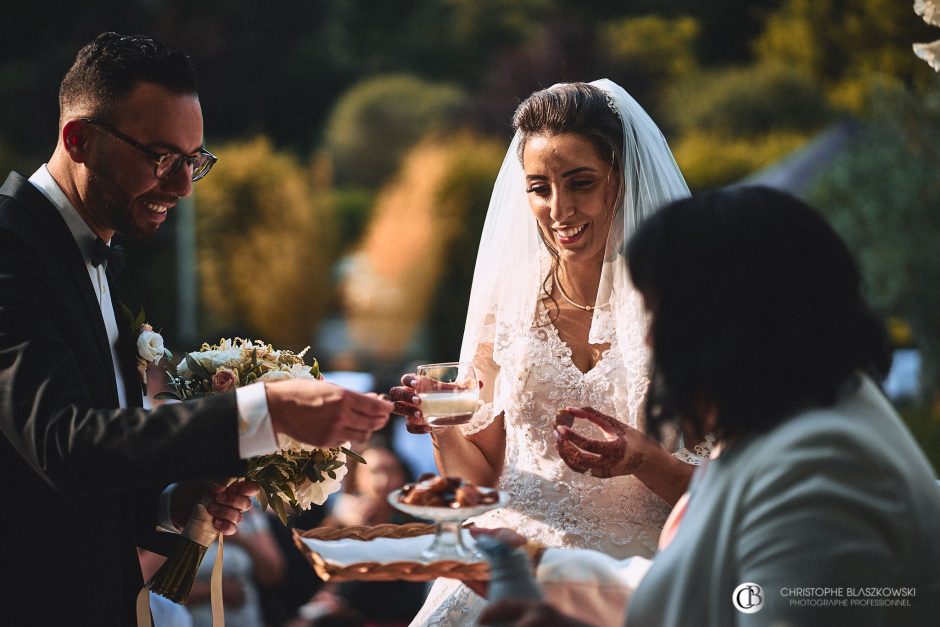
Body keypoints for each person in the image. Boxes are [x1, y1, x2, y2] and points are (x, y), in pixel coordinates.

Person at [0, 32, 392, 625]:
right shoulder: (9, 248)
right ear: (78, 140)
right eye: (160, 158)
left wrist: (171, 500)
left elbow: (90, 472)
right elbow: (62, 442)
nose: (182, 186)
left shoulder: (100, 252)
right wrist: (264, 411)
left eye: (193, 161)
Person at [479, 186, 940, 626]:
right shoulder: (787, 417)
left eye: (665, 314)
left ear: (739, 320)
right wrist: (536, 564)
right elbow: (703, 590)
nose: (650, 339)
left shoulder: (824, 464)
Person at [390, 80, 710, 625]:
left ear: (621, 180)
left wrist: (641, 460)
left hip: (635, 577)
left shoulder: (686, 313)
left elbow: (730, 495)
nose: (558, 209)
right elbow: (483, 483)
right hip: (514, 562)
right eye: (539, 187)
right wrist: (442, 426)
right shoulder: (508, 307)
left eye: (580, 183)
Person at [289, 444, 427, 627]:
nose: (383, 481)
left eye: (392, 471)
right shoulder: (344, 516)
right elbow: (306, 568)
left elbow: (401, 595)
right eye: (374, 472)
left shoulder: (415, 525)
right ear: (357, 479)